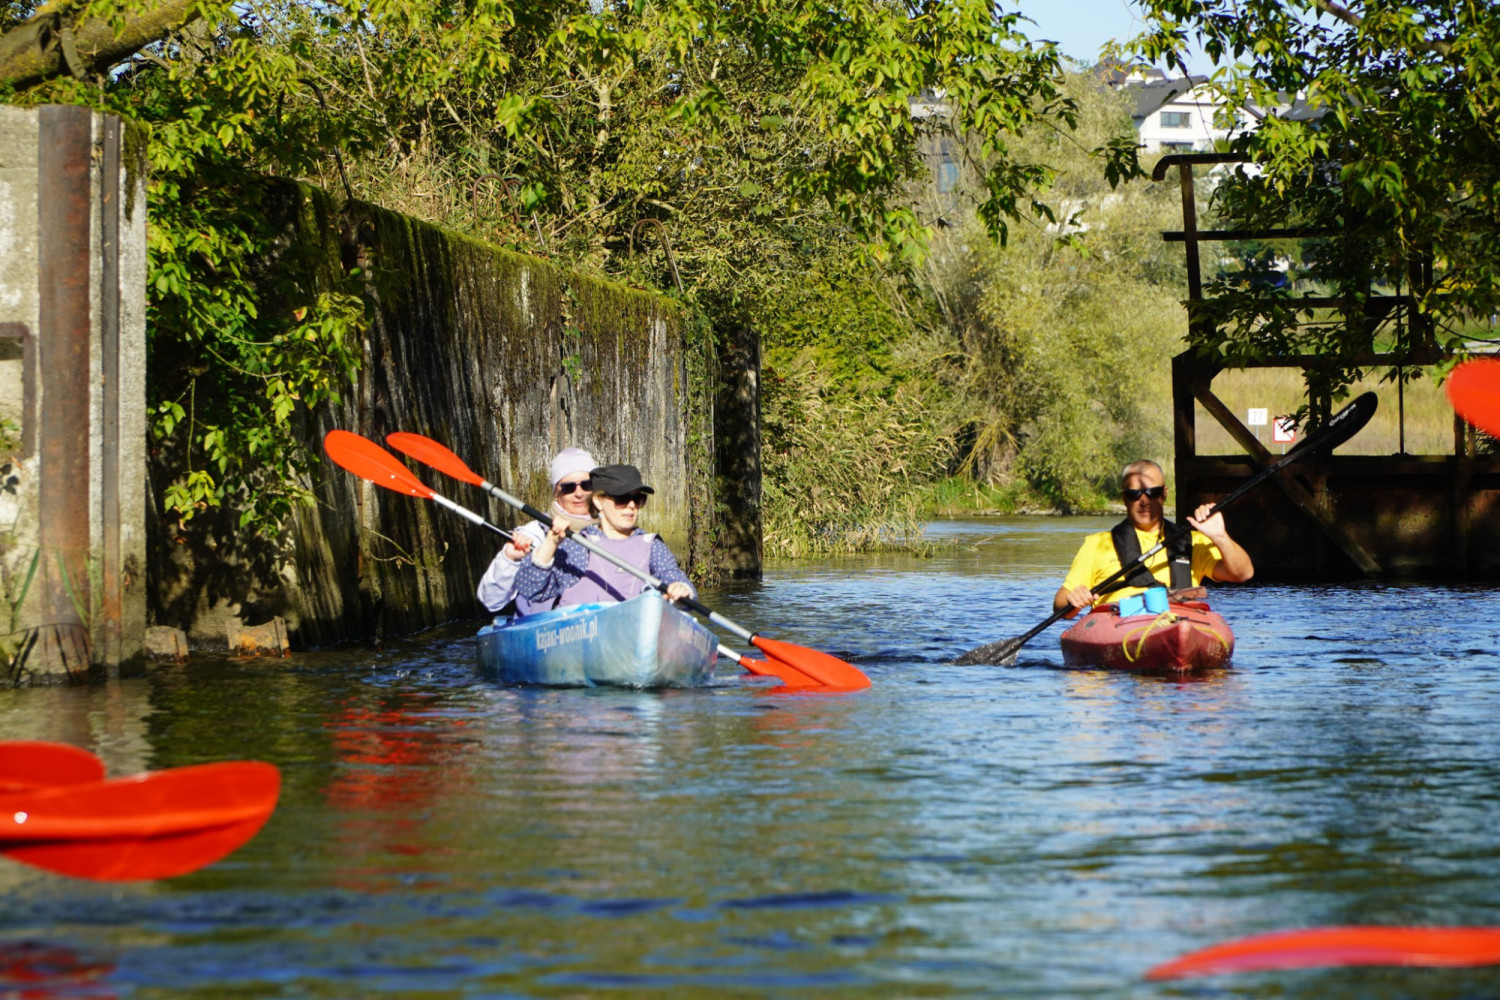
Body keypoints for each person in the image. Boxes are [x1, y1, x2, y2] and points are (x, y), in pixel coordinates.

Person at [1053, 459, 1254, 614]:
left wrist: (1220, 537)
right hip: (1120, 627)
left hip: (1180, 623)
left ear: (1164, 494)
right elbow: (1060, 604)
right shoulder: (1097, 545)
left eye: (1152, 492)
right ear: (1124, 498)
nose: (1144, 501)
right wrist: (1074, 600)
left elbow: (1243, 574)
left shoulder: (1193, 541)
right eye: (1134, 494)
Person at [515, 464, 696, 609]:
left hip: (634, 632)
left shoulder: (652, 545)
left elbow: (671, 575)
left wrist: (680, 589)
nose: (631, 505)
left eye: (637, 499)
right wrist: (550, 543)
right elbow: (532, 590)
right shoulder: (579, 547)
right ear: (598, 501)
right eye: (622, 499)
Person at [476, 447, 597, 615]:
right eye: (569, 487)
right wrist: (510, 559)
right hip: (546, 624)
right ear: (556, 493)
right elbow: (491, 601)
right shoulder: (534, 534)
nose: (579, 493)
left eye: (587, 485)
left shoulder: (612, 530)